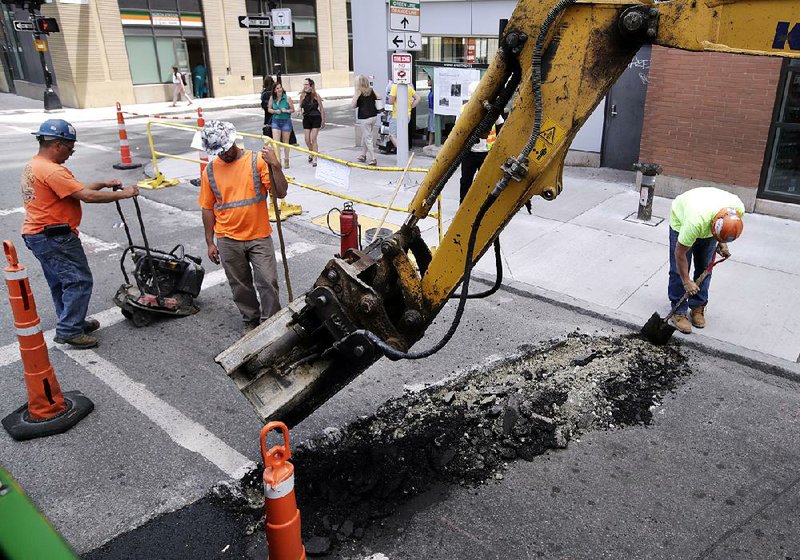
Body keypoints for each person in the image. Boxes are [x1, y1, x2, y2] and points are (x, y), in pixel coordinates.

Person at [20, 119, 139, 349]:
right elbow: (87, 196)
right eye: (70, 148)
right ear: (57, 145)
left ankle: (71, 320)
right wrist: (124, 194)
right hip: (54, 237)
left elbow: (76, 190)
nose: (71, 153)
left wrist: (103, 183)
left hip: (38, 234)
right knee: (78, 281)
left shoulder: (35, 166)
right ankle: (70, 330)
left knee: (60, 282)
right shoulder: (52, 170)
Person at [198, 120, 289, 331]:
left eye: (226, 149)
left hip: (258, 236)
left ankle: (271, 325)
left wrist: (275, 165)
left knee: (267, 282)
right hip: (228, 239)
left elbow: (281, 192)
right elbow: (207, 208)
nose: (224, 154)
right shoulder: (210, 171)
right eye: (219, 152)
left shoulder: (257, 161)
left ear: (233, 141)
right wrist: (209, 242)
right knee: (240, 286)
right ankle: (250, 319)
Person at [668, 187, 745, 334]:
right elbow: (679, 254)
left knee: (705, 268)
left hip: (707, 221)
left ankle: (698, 306)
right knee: (678, 270)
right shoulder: (694, 222)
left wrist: (721, 241)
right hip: (683, 220)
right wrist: (686, 281)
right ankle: (679, 311)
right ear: (714, 224)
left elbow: (726, 230)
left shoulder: (738, 209)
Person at [351, 75, 378, 166]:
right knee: (366, 136)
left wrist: (356, 96)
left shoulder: (358, 92)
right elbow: (380, 97)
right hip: (373, 116)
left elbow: (353, 106)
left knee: (367, 138)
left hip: (364, 118)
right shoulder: (371, 90)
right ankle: (363, 155)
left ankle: (373, 158)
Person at [299, 78, 325, 166]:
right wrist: (300, 110)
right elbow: (300, 106)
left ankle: (315, 158)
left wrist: (323, 120)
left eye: (307, 84)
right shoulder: (302, 96)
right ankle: (312, 152)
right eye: (304, 85)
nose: (305, 86)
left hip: (315, 118)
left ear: (311, 86)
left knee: (314, 138)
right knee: (307, 140)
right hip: (306, 118)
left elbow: (321, 108)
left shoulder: (316, 95)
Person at [268, 82, 295, 168]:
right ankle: (278, 160)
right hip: (276, 121)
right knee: (276, 143)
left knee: (285, 142)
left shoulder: (287, 98)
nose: (279, 90)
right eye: (277, 88)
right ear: (274, 90)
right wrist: (275, 111)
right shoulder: (272, 98)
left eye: (280, 88)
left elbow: (292, 109)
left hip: (286, 121)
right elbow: (269, 109)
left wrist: (286, 110)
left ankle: (286, 160)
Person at [388, 80, 420, 150]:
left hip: (396, 115)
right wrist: (411, 106)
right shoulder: (408, 87)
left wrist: (389, 95)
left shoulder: (395, 86)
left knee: (392, 135)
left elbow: (391, 101)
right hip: (407, 115)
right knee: (402, 135)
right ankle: (403, 152)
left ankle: (401, 151)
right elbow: (418, 98)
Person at [426, 74, 435, 146]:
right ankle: (430, 143)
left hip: (434, 110)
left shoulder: (434, 91)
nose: (427, 82)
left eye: (429, 80)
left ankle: (430, 144)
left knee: (432, 129)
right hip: (431, 110)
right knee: (431, 128)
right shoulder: (431, 90)